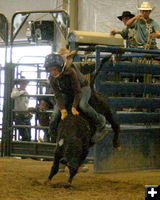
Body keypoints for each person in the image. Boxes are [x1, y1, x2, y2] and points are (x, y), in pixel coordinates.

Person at [44, 48, 108, 144]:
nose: (52, 72)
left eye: (54, 69)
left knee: (83, 105)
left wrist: (73, 107)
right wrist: (62, 109)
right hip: (67, 92)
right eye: (50, 70)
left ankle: (100, 122)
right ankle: (52, 134)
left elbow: (78, 91)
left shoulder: (72, 71)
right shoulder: (53, 78)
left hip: (82, 88)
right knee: (55, 113)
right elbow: (58, 94)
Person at [11, 76, 32, 141]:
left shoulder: (26, 92)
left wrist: (28, 112)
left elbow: (26, 104)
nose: (23, 84)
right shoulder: (16, 90)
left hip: (25, 115)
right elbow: (12, 95)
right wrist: (23, 92)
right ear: (19, 83)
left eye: (25, 83)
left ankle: (25, 148)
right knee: (25, 134)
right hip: (19, 115)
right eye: (22, 83)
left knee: (28, 136)